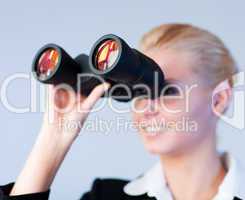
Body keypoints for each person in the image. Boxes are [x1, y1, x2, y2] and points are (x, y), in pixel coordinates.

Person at [0, 23, 244, 200]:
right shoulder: (105, 196)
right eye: (138, 92)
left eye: (166, 91)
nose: (145, 108)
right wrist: (54, 138)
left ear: (219, 99)